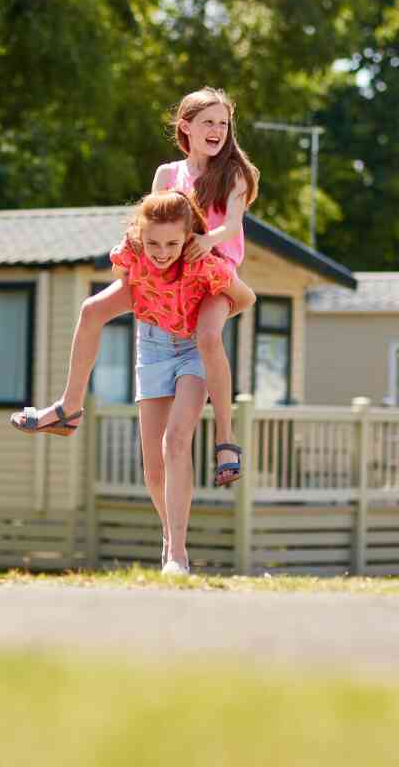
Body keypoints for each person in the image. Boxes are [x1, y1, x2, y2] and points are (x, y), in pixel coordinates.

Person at [10, 88, 259, 490]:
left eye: (223, 123)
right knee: (92, 310)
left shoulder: (234, 174)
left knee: (208, 337)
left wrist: (206, 241)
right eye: (208, 122)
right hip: (166, 269)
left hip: (212, 272)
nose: (217, 130)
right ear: (186, 127)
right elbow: (151, 221)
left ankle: (225, 438)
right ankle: (69, 409)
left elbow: (232, 225)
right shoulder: (168, 174)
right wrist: (131, 248)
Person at [109, 189, 254, 574]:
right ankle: (169, 536)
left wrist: (210, 318)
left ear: (189, 237)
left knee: (175, 441)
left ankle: (177, 554)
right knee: (154, 470)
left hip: (192, 350)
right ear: (141, 236)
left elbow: (246, 298)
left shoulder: (205, 263)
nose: (162, 252)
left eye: (172, 243)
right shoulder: (132, 254)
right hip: (151, 348)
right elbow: (125, 283)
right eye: (154, 243)